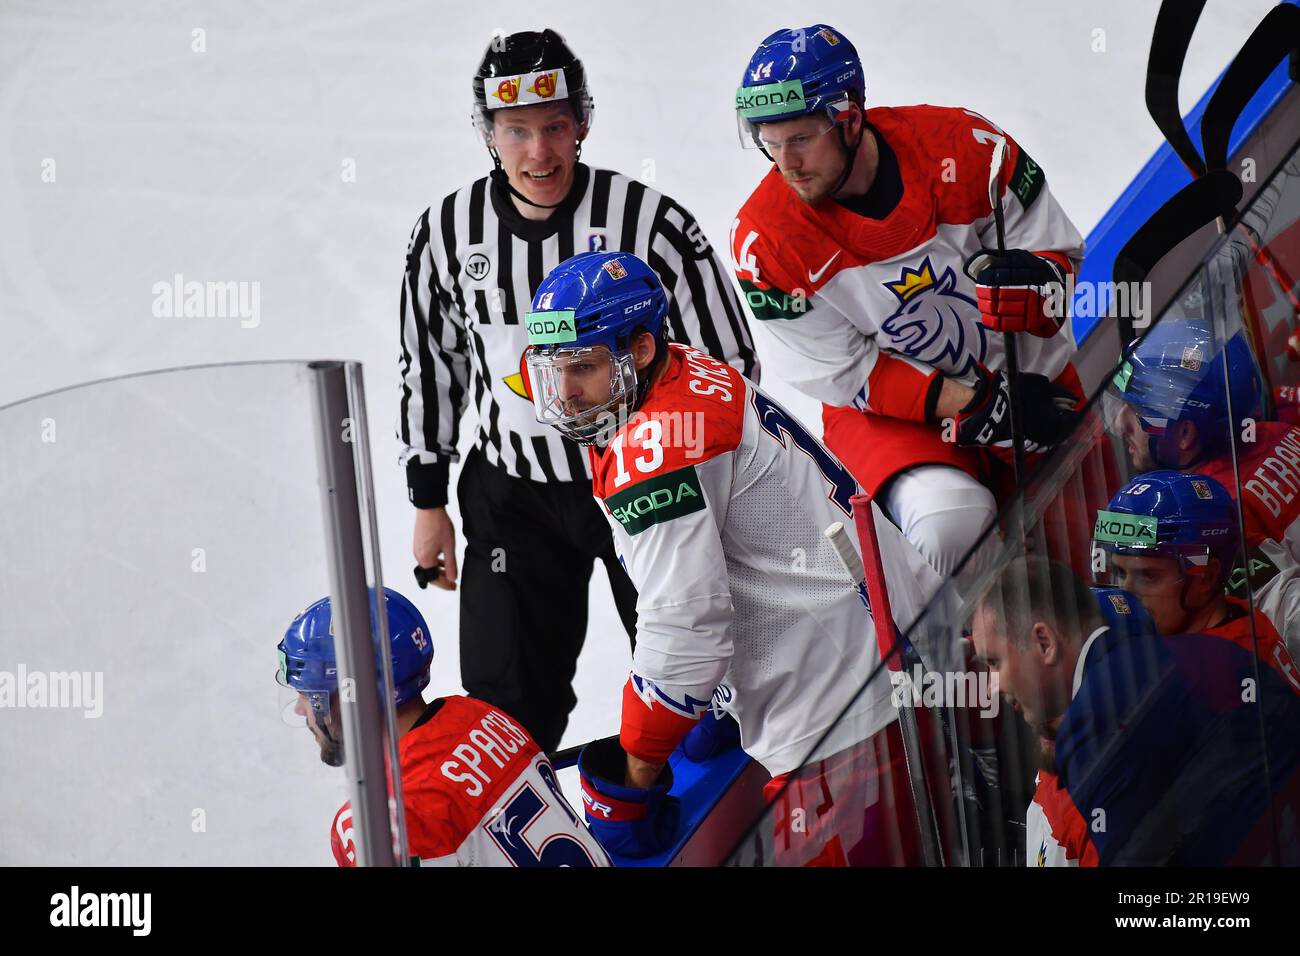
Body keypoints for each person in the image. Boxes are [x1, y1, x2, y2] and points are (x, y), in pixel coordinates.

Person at [523, 249, 948, 865]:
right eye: (552, 370)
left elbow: (685, 629)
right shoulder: (686, 369)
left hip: (841, 715)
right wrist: (722, 698)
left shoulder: (655, 446)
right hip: (894, 647)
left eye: (583, 367)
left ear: (640, 349)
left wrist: (634, 777)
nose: (566, 394)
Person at [397, 29, 758, 752]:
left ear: (583, 123)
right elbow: (430, 362)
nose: (540, 152)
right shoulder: (443, 233)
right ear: (488, 134)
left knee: (700, 690)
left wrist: (707, 485)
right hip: (513, 499)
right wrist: (428, 500)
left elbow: (729, 364)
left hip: (648, 485)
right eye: (518, 131)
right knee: (507, 716)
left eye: (556, 127)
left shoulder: (652, 225)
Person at [729, 24, 1084, 577]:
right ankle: (972, 658)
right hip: (893, 418)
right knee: (950, 527)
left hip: (1029, 380)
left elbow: (1056, 263)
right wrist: (974, 405)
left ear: (848, 118)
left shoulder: (967, 149)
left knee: (1096, 541)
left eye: (798, 139)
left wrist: (1038, 284)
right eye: (768, 141)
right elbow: (848, 372)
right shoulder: (766, 241)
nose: (784, 163)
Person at [277, 587, 609, 867]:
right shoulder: (480, 716)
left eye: (308, 695)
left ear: (351, 694)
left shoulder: (376, 819)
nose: (300, 707)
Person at [1106, 317, 1300, 655]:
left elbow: (1285, 625)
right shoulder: (1275, 433)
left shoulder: (1214, 513)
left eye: (1137, 411)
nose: (1118, 423)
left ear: (1184, 434)